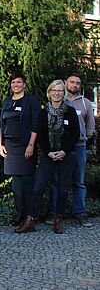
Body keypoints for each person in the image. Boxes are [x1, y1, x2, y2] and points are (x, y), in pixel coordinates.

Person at [15, 80, 79, 234]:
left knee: (63, 189)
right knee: (38, 188)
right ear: (49, 93)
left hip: (66, 155)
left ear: (64, 93)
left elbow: (75, 134)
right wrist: (49, 152)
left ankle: (58, 221)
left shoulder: (70, 112)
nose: (57, 93)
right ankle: (30, 221)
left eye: (60, 91)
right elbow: (40, 135)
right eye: (54, 91)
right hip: (47, 155)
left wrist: (63, 151)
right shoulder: (43, 113)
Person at [47, 73, 95, 227]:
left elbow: (90, 126)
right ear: (65, 83)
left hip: (79, 147)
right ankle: (54, 213)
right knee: (56, 181)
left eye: (78, 83)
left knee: (79, 182)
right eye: (72, 82)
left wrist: (84, 138)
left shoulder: (85, 103)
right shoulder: (59, 100)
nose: (75, 85)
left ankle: (80, 213)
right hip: (60, 147)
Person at [0, 72, 40, 226]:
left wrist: (31, 145)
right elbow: (1, 124)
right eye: (13, 83)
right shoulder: (7, 101)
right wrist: (1, 143)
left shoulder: (31, 101)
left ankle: (30, 216)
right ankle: (19, 213)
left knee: (27, 180)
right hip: (10, 146)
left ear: (24, 84)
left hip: (25, 145)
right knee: (16, 181)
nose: (16, 85)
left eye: (18, 82)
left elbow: (36, 124)